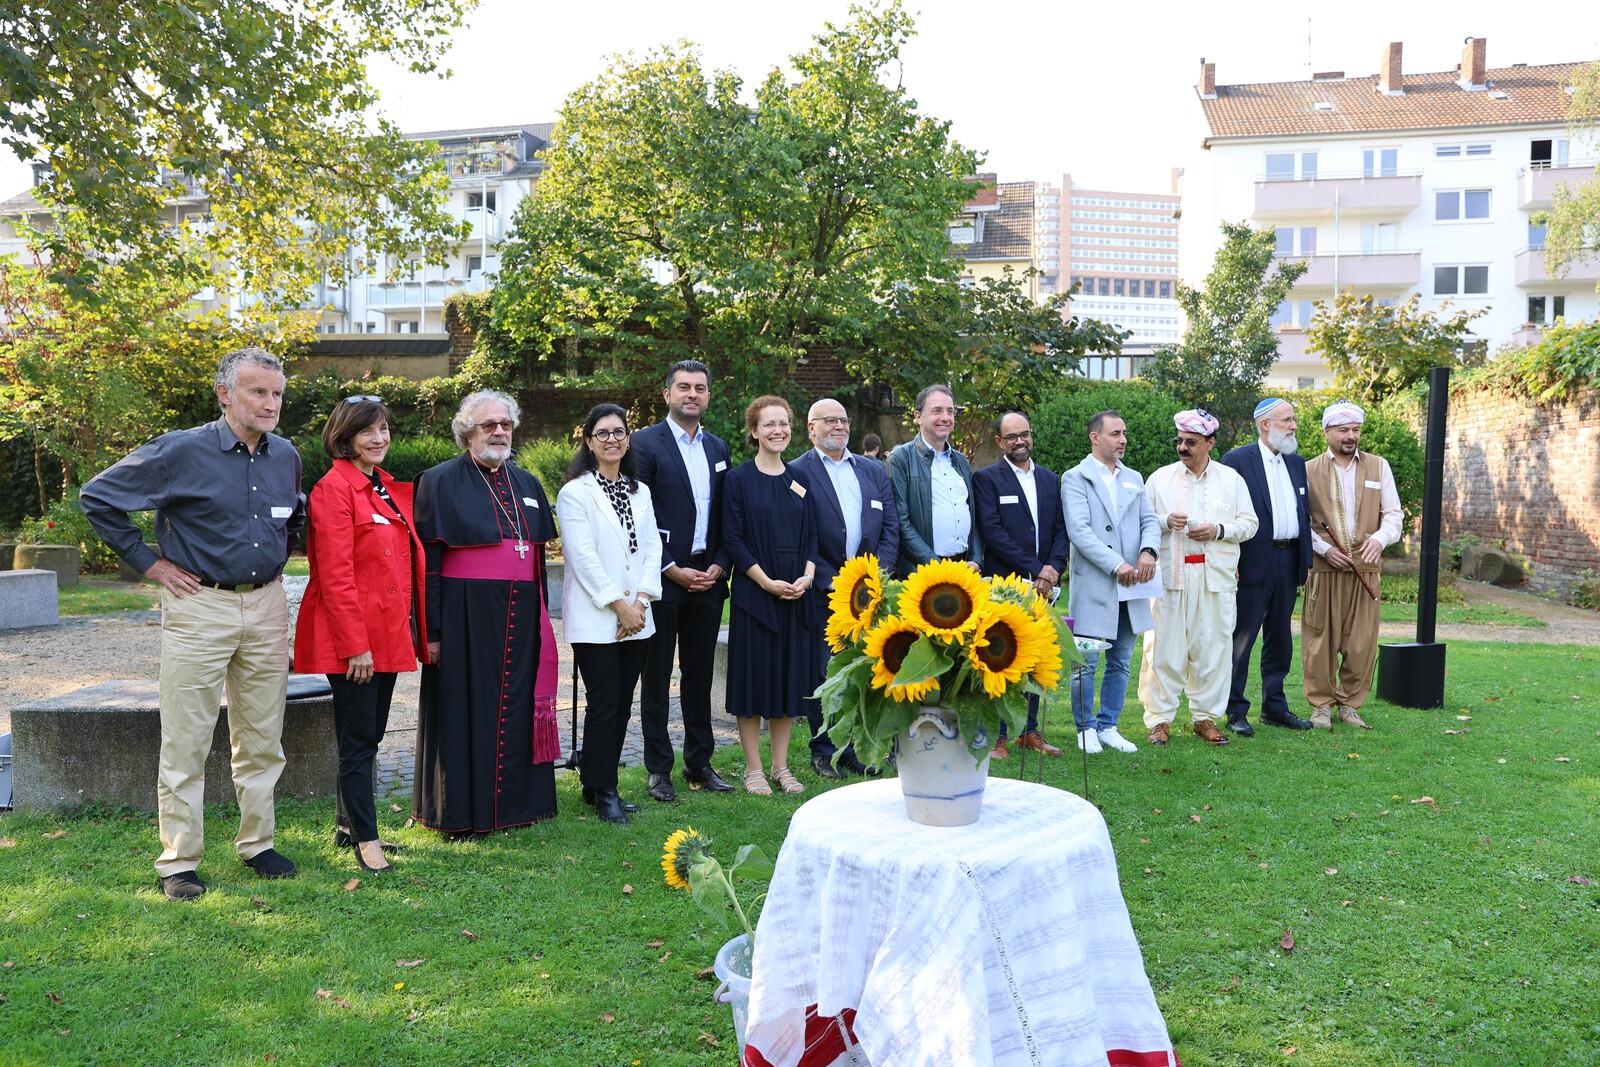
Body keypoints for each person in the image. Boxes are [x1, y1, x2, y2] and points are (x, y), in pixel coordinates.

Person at [80, 347, 304, 900]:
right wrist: (150, 563)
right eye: (258, 392)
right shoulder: (180, 451)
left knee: (262, 735)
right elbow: (98, 497)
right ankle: (178, 860)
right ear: (225, 394)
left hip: (268, 604)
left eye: (277, 393)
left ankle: (258, 843)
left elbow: (291, 518)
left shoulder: (286, 456)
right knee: (187, 737)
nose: (270, 403)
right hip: (199, 605)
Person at [411, 390, 559, 834]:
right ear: (466, 433)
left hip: (521, 612)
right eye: (488, 425)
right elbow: (429, 567)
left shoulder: (528, 484)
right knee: (463, 711)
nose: (499, 432)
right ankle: (462, 812)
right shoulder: (437, 480)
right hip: (465, 617)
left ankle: (518, 808)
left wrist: (543, 621)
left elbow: (535, 558)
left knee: (516, 708)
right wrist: (432, 631)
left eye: (506, 425)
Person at [293, 396, 426, 873]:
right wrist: (356, 647)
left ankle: (349, 825)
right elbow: (335, 575)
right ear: (344, 436)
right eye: (368, 430)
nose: (380, 438)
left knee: (370, 736)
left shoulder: (382, 488)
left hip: (387, 636)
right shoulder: (334, 489)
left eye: (385, 428)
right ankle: (367, 841)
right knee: (357, 741)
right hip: (352, 642)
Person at [631, 360, 735, 801]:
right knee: (655, 675)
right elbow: (638, 515)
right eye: (684, 387)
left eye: (700, 388)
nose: (692, 394)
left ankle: (700, 763)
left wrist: (719, 564)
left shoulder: (719, 448)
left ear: (708, 396)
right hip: (664, 578)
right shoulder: (643, 444)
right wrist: (669, 567)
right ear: (667, 394)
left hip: (707, 578)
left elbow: (728, 515)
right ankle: (658, 769)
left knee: (698, 675)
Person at [556, 404, 663, 824]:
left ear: (628, 438)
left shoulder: (641, 490)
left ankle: (596, 782)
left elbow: (652, 547)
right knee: (603, 705)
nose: (612, 439)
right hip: (597, 617)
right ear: (588, 441)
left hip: (638, 616)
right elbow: (581, 556)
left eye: (619, 432)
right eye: (602, 433)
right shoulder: (576, 492)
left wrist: (639, 602)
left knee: (621, 705)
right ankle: (604, 790)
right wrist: (617, 604)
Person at [1137, 409, 1259, 747]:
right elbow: (1141, 522)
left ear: (1210, 443)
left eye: (1190, 442)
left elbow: (1250, 524)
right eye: (1179, 441)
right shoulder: (1160, 478)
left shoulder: (1231, 479)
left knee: (1213, 647)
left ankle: (1205, 717)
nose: (1182, 447)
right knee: (1162, 647)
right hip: (1170, 576)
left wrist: (1219, 530)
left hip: (1215, 577)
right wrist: (1164, 521)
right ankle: (1159, 720)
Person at [793, 398, 899, 778]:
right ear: (811, 427)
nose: (839, 426)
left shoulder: (872, 471)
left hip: (870, 595)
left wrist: (875, 579)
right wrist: (836, 583)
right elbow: (799, 535)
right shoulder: (797, 473)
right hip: (824, 591)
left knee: (865, 672)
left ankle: (858, 747)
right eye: (829, 421)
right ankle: (823, 750)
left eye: (843, 420)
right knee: (822, 673)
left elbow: (890, 529)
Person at [722, 396, 820, 795]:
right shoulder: (737, 479)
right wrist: (765, 582)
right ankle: (753, 769)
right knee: (754, 683)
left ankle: (781, 767)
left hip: (796, 595)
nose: (778, 430)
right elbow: (732, 538)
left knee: (785, 683)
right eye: (769, 424)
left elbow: (813, 536)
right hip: (756, 594)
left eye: (784, 423)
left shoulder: (799, 479)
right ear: (754, 431)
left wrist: (808, 576)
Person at [1061, 410, 1161, 756]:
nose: (1123, 440)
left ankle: (1108, 725)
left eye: (1124, 433)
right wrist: (1115, 563)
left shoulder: (1133, 476)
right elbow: (1079, 531)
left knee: (1120, 659)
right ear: (1095, 437)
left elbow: (1149, 520)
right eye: (1115, 433)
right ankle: (1085, 728)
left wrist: (1149, 551)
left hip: (1132, 583)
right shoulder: (1075, 478)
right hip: (1096, 583)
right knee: (1086, 661)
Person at [1302, 401, 1403, 729]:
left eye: (1356, 430)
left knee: (1361, 643)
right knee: (1320, 642)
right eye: (1344, 430)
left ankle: (1350, 705)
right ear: (1327, 432)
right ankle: (1320, 706)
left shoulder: (1379, 466)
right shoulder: (1307, 469)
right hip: (1325, 568)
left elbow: (1393, 515)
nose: (1351, 436)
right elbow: (1301, 521)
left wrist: (1379, 539)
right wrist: (1323, 549)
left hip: (1366, 569)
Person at [973, 411, 1068, 759]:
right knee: (1000, 659)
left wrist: (1054, 568)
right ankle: (997, 735)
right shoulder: (987, 479)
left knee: (1035, 659)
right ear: (1000, 441)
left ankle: (1028, 731)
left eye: (1024, 434)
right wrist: (1035, 569)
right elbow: (993, 532)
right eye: (1011, 437)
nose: (1019, 442)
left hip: (1045, 588)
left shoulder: (1048, 479)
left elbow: (1060, 529)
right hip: (1005, 585)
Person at [1221, 398, 1315, 735]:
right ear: (1265, 425)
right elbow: (1224, 512)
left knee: (1280, 638)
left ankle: (1274, 707)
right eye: (1287, 420)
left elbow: (1302, 513)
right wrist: (1228, 559)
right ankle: (1234, 710)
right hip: (1250, 562)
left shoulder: (1296, 462)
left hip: (1288, 560)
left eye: (1293, 419)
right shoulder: (1237, 460)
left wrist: (1305, 560)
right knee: (1242, 638)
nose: (1293, 425)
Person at [888, 384, 983, 577]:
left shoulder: (961, 461)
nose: (946, 418)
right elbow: (901, 522)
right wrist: (936, 565)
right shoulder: (900, 459)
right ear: (918, 416)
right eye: (937, 411)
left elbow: (974, 516)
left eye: (950, 411)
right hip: (922, 571)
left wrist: (976, 559)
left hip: (965, 569)